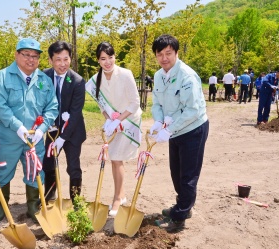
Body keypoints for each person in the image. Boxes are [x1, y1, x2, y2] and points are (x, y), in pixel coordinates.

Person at [0, 38, 58, 222]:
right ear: (16, 55)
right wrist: (17, 126)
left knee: (35, 172)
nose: (31, 59)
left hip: (34, 140)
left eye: (35, 56)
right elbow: (0, 105)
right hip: (8, 137)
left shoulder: (44, 80)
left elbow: (52, 107)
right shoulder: (2, 77)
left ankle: (32, 206)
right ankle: (2, 206)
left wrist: (42, 129)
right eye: (26, 55)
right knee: (3, 171)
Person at [150, 34, 209, 232]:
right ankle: (184, 206)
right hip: (172, 129)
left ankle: (179, 216)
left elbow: (192, 110)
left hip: (192, 129)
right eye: (160, 54)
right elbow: (157, 102)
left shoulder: (187, 76)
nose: (164, 58)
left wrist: (169, 129)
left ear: (176, 52)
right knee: (176, 172)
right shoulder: (159, 75)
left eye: (168, 53)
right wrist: (159, 121)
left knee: (188, 175)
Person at [85, 41, 142, 217]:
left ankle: (118, 198)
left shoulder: (125, 74)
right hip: (113, 124)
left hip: (129, 120)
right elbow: (101, 105)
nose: (108, 62)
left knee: (116, 158)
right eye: (103, 59)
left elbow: (135, 103)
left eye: (110, 57)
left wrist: (119, 120)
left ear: (114, 57)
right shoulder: (95, 80)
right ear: (98, 60)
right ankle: (122, 195)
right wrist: (109, 119)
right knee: (116, 160)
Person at [42, 41, 86, 203]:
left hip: (73, 132)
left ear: (70, 59)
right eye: (58, 59)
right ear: (51, 60)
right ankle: (50, 196)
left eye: (66, 59)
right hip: (52, 130)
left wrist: (63, 138)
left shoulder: (77, 81)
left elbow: (75, 114)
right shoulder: (43, 76)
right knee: (48, 163)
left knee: (73, 167)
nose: (62, 64)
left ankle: (76, 202)